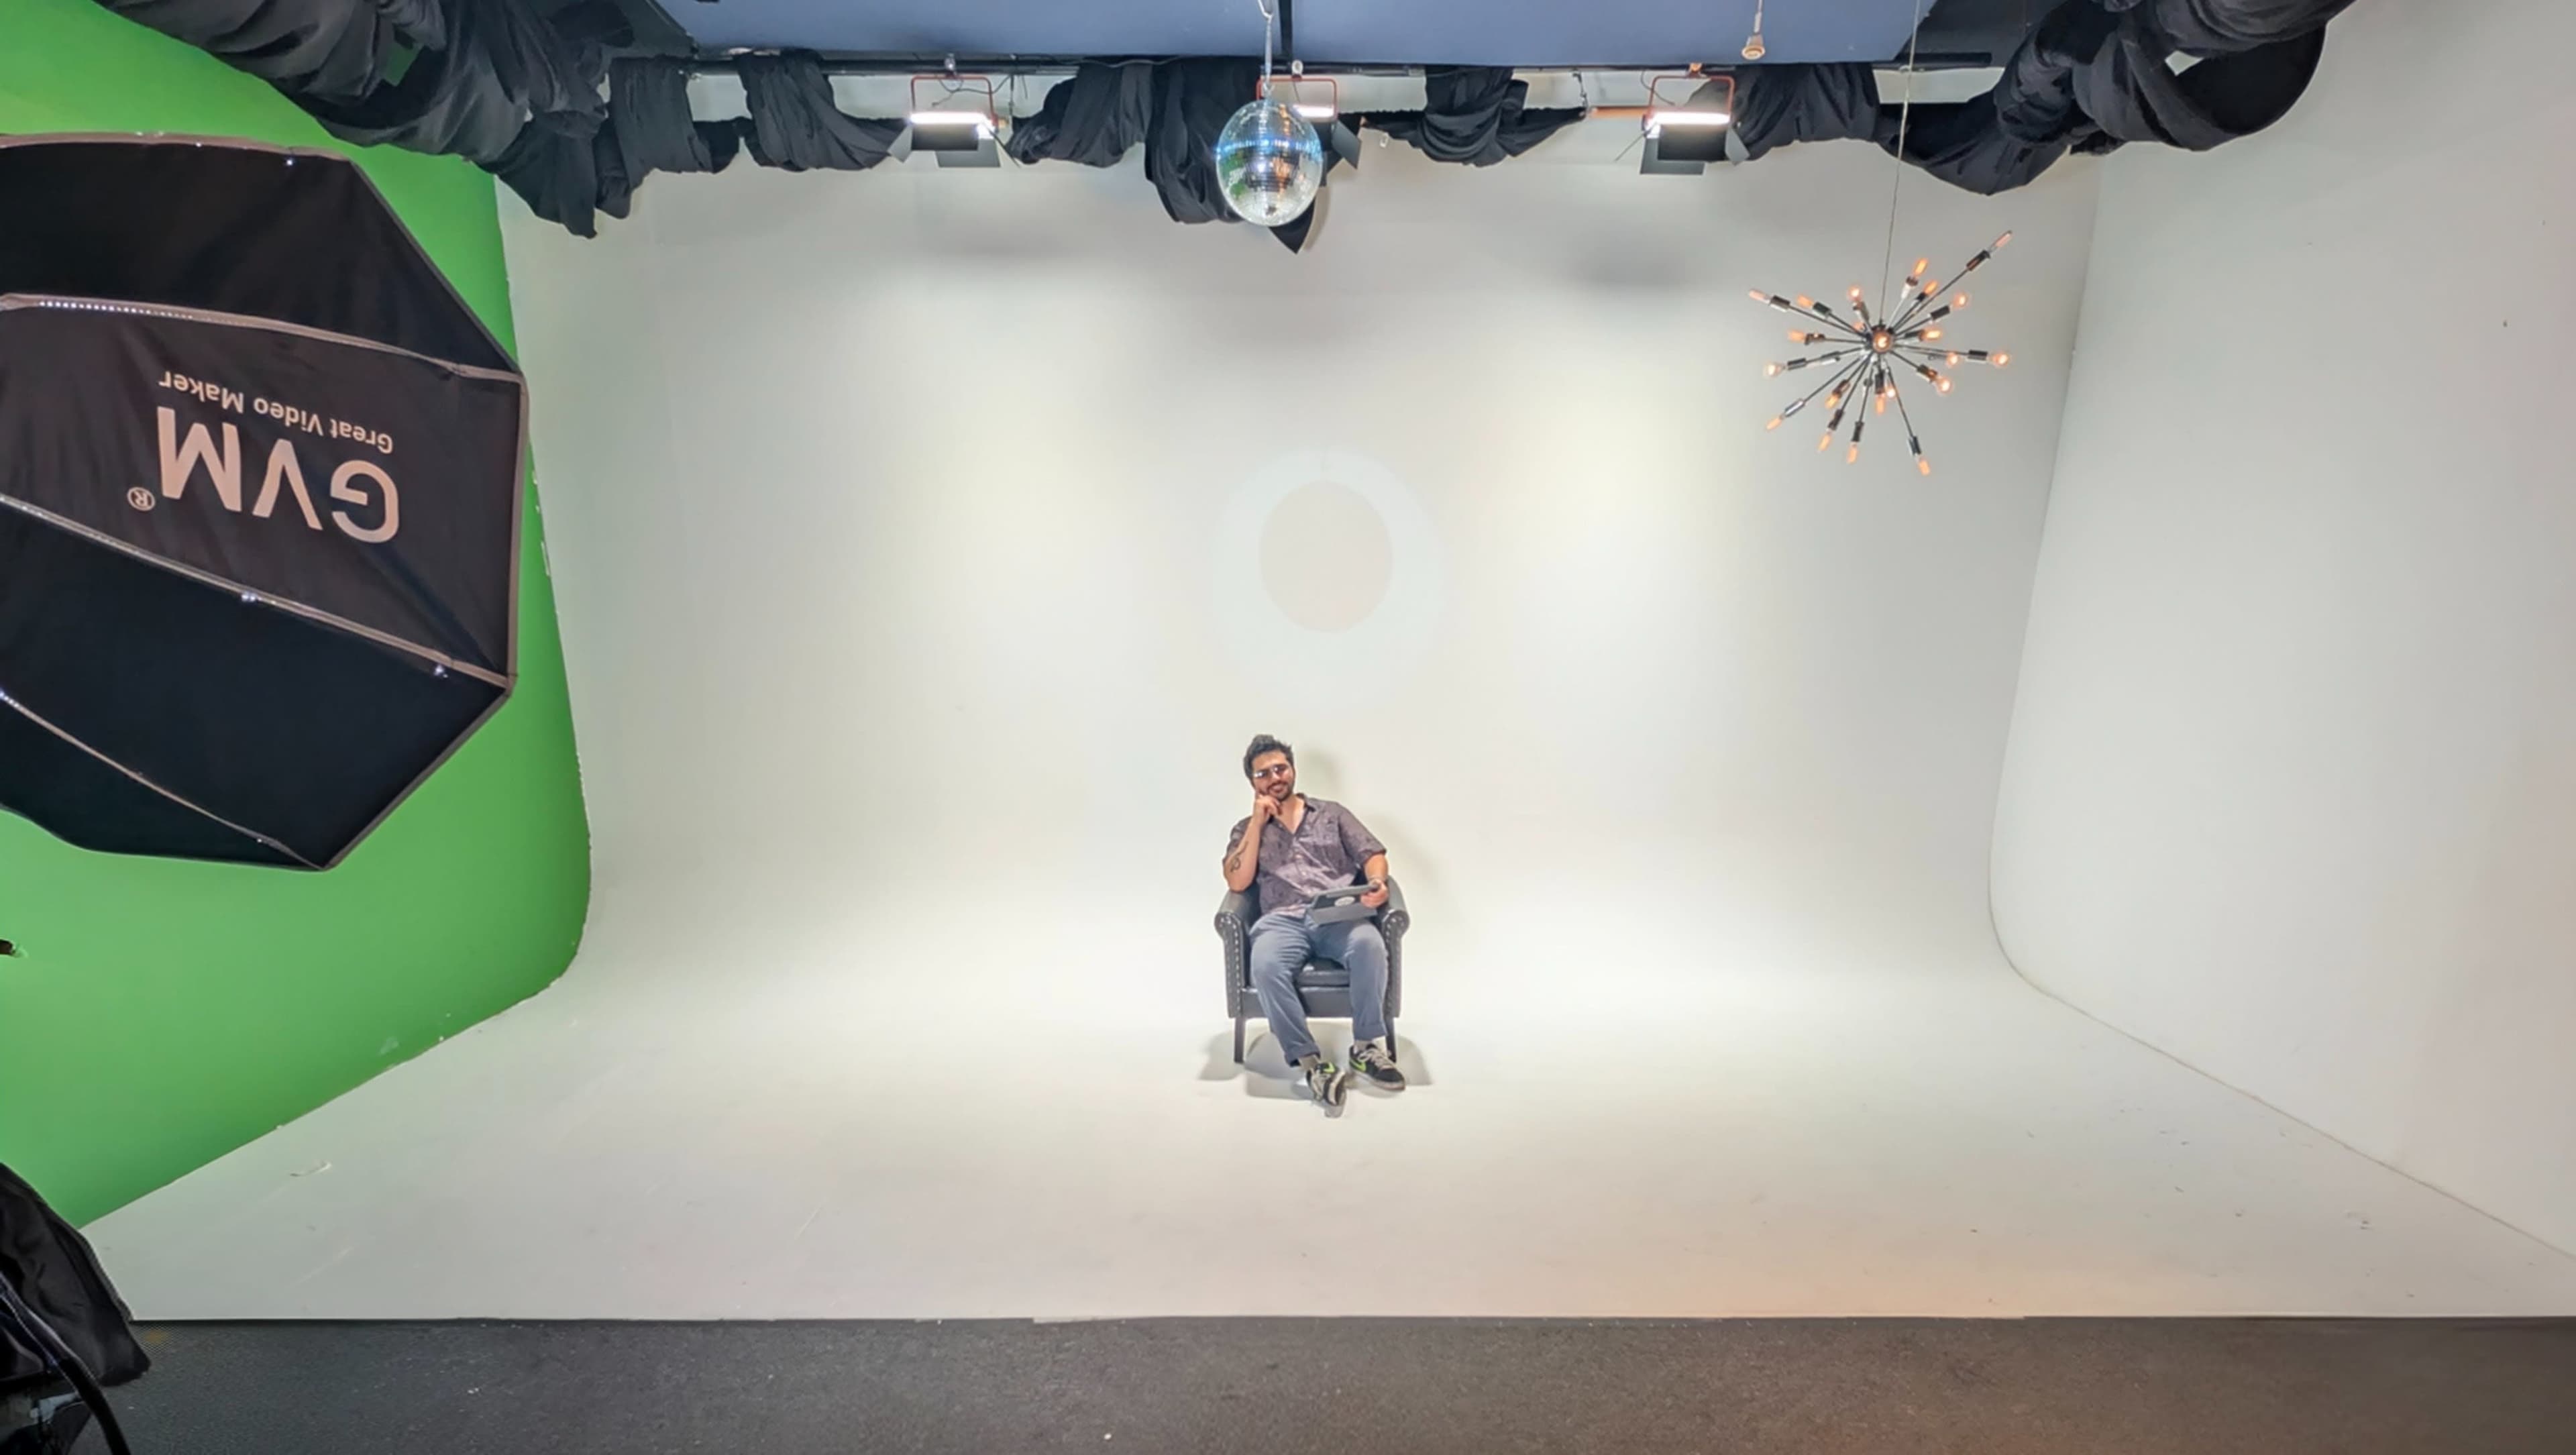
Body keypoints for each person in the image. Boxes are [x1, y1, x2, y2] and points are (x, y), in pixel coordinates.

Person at [1222, 734, 1405, 1109]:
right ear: (1253, 782)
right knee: (1266, 964)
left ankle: (1365, 1048)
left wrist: (1377, 882)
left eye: (1280, 769)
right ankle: (1311, 1063)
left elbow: (1372, 854)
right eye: (1263, 773)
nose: (1274, 778)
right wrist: (1257, 823)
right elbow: (1237, 882)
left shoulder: (1332, 814)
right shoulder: (1245, 829)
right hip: (1281, 921)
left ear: (1292, 770)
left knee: (1369, 944)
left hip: (1336, 915)